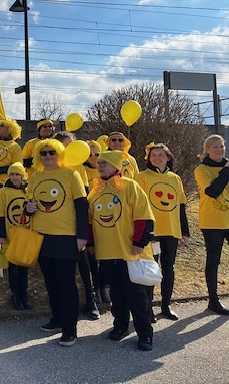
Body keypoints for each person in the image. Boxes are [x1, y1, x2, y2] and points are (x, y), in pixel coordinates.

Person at [87, 150, 155, 351]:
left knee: (136, 295)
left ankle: (145, 333)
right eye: (99, 163)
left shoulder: (130, 186)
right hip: (107, 251)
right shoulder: (95, 190)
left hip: (130, 251)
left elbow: (144, 216)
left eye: (105, 163)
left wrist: (139, 242)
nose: (100, 166)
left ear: (116, 166)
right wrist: (91, 242)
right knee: (117, 294)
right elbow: (90, 220)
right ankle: (120, 326)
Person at [25, 138, 88, 347]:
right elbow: (29, 203)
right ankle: (57, 319)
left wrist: (82, 235)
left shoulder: (71, 174)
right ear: (38, 156)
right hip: (42, 237)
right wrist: (28, 208)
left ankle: (70, 329)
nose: (48, 156)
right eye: (43, 153)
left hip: (66, 237)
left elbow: (82, 206)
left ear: (59, 154)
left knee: (66, 284)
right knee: (50, 282)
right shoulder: (35, 177)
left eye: (52, 152)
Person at [136, 142, 189, 321]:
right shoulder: (142, 177)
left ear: (167, 158)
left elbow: (181, 206)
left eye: (161, 155)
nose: (157, 158)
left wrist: (185, 232)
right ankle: (148, 307)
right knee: (151, 268)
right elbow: (138, 206)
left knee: (169, 267)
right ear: (148, 158)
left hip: (171, 231)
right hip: (152, 232)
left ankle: (166, 304)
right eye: (153, 155)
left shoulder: (175, 178)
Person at [54, 131, 99, 320]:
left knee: (83, 261)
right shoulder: (49, 166)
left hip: (75, 221)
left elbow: (84, 196)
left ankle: (91, 299)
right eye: (67, 145)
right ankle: (61, 306)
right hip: (56, 223)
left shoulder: (79, 168)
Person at [194, 134, 229, 315]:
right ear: (207, 150)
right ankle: (213, 301)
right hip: (212, 221)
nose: (219, 150)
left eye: (221, 146)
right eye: (214, 146)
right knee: (214, 261)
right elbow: (213, 191)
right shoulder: (202, 169)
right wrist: (226, 172)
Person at [0, 162, 32, 309]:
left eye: (17, 174)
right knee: (12, 266)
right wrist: (0, 234)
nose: (14, 177)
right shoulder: (3, 192)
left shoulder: (29, 191)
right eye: (12, 174)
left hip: (26, 234)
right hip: (10, 234)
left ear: (23, 176)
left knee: (23, 265)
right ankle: (15, 293)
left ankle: (24, 293)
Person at [83, 139, 110, 304]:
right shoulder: (81, 170)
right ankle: (95, 288)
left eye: (97, 154)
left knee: (106, 256)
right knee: (91, 255)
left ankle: (104, 285)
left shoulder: (106, 170)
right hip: (89, 218)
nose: (93, 157)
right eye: (90, 154)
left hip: (106, 217)